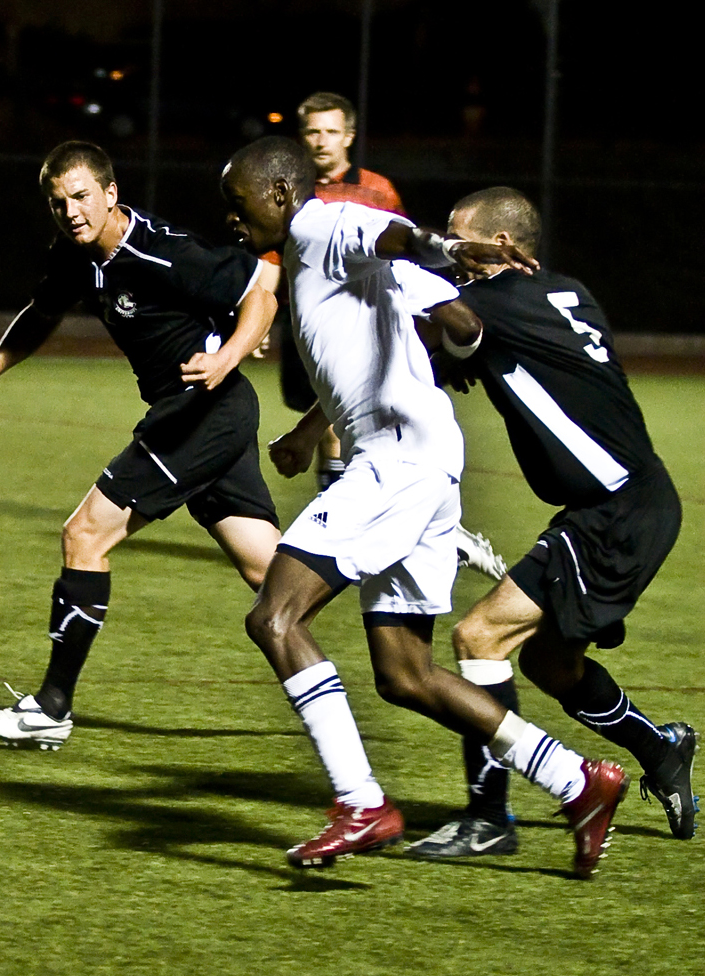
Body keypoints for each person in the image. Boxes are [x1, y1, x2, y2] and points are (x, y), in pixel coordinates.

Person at [222, 136, 628, 879]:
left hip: (396, 462)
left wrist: (438, 243)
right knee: (404, 673)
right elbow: (460, 328)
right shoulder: (341, 266)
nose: (232, 219)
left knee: (274, 617)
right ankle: (579, 782)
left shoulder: (317, 226)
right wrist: (314, 428)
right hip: (425, 462)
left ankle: (359, 803)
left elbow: (389, 232)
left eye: (239, 202)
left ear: (279, 193)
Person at [0, 141, 281, 750]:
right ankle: (404, 556)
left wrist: (227, 355)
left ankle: (51, 708)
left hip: (202, 412)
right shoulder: (74, 255)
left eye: (81, 197)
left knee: (84, 534)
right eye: (58, 202)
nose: (71, 212)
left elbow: (261, 289)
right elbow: (38, 317)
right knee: (275, 575)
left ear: (110, 194)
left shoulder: (160, 250)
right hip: (202, 416)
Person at [405, 187, 695, 857]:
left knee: (479, 639)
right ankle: (662, 750)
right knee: (550, 662)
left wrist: (410, 267)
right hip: (624, 504)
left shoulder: (493, 303)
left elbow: (447, 315)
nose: (451, 247)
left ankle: (488, 820)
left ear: (503, 246)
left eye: (460, 236)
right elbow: (476, 340)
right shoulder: (565, 291)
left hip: (615, 513)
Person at [265, 92, 505, 578]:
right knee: (334, 417)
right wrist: (262, 318)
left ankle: (348, 528)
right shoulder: (292, 193)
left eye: (331, 131)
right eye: (312, 132)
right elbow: (270, 264)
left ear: (349, 136)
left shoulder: (375, 190)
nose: (322, 141)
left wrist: (440, 261)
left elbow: (403, 253)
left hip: (366, 324)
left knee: (346, 423)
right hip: (310, 324)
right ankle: (401, 524)